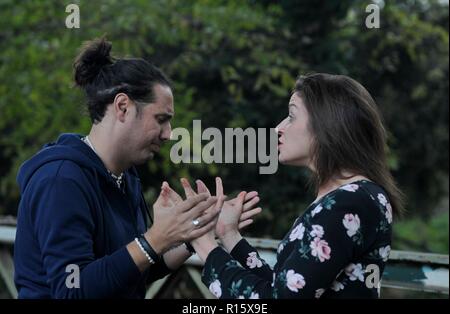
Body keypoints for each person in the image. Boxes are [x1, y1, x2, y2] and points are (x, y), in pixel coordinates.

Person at [13, 38, 260, 299]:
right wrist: (155, 239)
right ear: (122, 107)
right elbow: (72, 290)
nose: (168, 134)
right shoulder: (61, 180)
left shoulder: (125, 176)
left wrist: (191, 233)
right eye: (161, 119)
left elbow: (131, 271)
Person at [184, 73, 404, 299]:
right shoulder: (353, 197)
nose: (278, 128)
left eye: (291, 116)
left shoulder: (349, 202)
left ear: (326, 124)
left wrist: (203, 244)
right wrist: (228, 234)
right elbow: (286, 286)